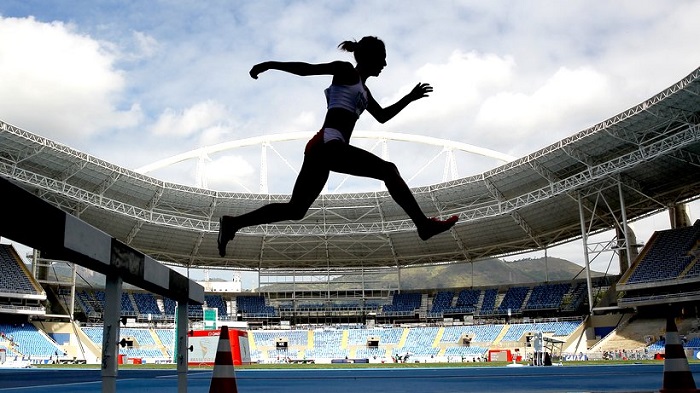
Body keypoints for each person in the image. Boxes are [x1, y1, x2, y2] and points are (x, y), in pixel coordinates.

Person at [218, 36, 458, 257]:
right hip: (327, 145)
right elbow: (306, 70)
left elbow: (382, 116)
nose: (385, 64)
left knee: (296, 210)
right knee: (388, 170)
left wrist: (409, 97)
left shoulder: (365, 91)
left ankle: (232, 223)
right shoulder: (345, 71)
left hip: (322, 149)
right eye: (382, 58)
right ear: (369, 58)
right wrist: (269, 64)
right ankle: (423, 225)